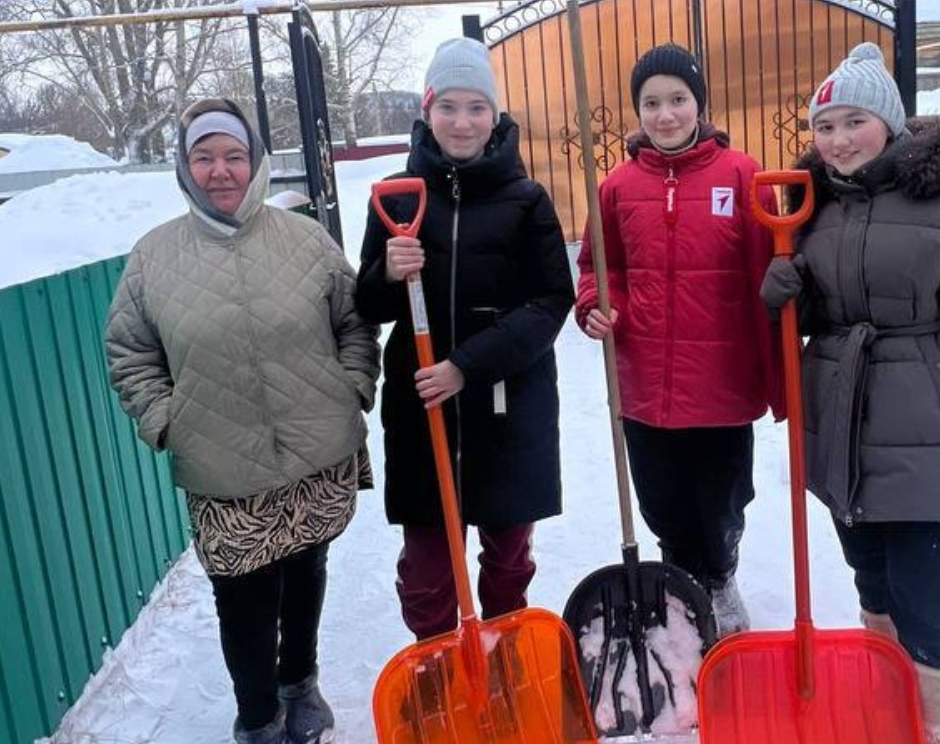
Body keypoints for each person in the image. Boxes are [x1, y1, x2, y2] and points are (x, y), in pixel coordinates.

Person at [759, 43, 940, 744]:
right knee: (873, 580)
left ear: (890, 122)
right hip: (846, 437)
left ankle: (934, 726)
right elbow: (822, 317)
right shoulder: (817, 208)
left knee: (928, 599)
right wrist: (787, 294)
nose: (838, 140)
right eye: (825, 127)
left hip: (929, 445)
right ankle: (887, 707)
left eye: (854, 122)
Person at [105, 98, 379, 744]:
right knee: (242, 593)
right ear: (184, 166)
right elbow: (130, 352)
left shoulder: (305, 239)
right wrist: (168, 421)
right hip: (221, 460)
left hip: (316, 445)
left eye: (233, 155)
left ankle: (299, 683)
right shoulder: (153, 258)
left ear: (256, 162)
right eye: (204, 157)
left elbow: (354, 322)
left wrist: (352, 387)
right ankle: (257, 718)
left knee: (306, 570)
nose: (220, 170)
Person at [355, 38, 575, 642]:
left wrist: (465, 365)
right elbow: (367, 306)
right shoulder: (397, 197)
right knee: (427, 571)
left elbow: (550, 303)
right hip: (423, 409)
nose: (462, 122)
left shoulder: (527, 202)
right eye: (447, 106)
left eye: (476, 107)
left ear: (495, 115)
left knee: (508, 560)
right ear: (427, 110)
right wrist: (387, 273)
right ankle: (436, 663)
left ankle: (501, 655)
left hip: (508, 408)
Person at [575, 43, 782, 637]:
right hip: (645, 386)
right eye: (651, 103)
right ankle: (680, 587)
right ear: (637, 110)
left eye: (678, 99)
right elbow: (597, 266)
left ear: (700, 104)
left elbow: (769, 272)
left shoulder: (742, 175)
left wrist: (777, 361)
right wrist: (594, 304)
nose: (665, 115)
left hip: (721, 384)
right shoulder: (616, 187)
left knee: (721, 503)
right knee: (662, 504)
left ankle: (719, 578)